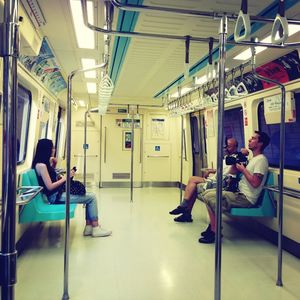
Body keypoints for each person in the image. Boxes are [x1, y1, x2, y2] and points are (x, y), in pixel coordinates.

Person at [198, 131, 270, 244]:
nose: (249, 140)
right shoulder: (253, 159)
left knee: (211, 197)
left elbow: (255, 183)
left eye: (253, 139)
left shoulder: (261, 160)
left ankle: (215, 231)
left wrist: (243, 170)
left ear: (260, 143)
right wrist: (240, 159)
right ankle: (213, 227)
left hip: (246, 198)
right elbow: (232, 171)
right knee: (206, 194)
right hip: (238, 193)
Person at [32, 139, 112, 238]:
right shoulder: (42, 166)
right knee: (92, 197)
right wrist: (66, 177)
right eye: (52, 147)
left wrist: (54, 165)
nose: (54, 149)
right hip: (55, 196)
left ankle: (89, 227)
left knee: (90, 197)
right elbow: (50, 186)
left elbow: (50, 178)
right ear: (46, 149)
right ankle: (95, 227)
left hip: (57, 193)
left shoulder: (43, 164)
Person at [169, 137, 240, 222]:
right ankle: (186, 212)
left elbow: (229, 172)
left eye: (229, 146)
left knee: (193, 182)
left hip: (220, 182)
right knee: (193, 183)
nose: (226, 148)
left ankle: (184, 207)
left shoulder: (236, 158)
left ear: (235, 147)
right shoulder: (227, 158)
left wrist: (242, 153)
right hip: (215, 178)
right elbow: (223, 170)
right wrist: (211, 170)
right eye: (226, 146)